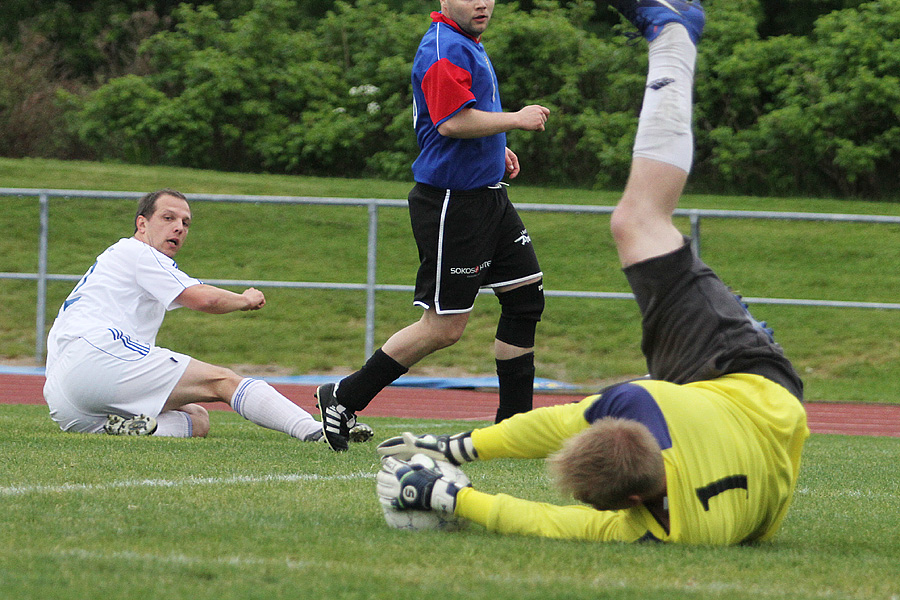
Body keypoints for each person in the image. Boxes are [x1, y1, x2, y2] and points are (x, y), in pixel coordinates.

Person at [375, 0, 810, 545]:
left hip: (776, 402)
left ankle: (736, 321)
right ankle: (671, 36)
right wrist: (452, 466)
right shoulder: (646, 408)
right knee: (639, 222)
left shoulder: (675, 532)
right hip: (745, 386)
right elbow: (561, 434)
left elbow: (549, 517)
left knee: (548, 283)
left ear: (630, 504)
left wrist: (456, 495)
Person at [315, 0, 552, 451]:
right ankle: (343, 396)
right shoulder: (444, 46)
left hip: (489, 196)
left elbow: (461, 118)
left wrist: (495, 148)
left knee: (525, 300)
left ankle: (514, 430)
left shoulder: (467, 42)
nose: (482, 2)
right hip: (452, 204)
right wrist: (516, 121)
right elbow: (451, 122)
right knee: (444, 327)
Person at [43, 188, 372, 446]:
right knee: (222, 381)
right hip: (97, 356)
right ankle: (313, 431)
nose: (178, 228)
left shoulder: (113, 260)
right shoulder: (138, 252)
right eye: (168, 218)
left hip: (64, 398)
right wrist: (245, 300)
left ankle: (130, 431)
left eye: (185, 223)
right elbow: (204, 299)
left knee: (196, 419)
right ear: (141, 224)